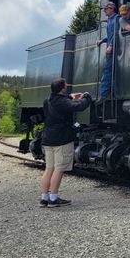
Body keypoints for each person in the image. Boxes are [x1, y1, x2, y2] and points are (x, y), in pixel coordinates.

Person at [39, 78, 92, 207]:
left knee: (49, 168)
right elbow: (79, 106)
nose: (67, 86)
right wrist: (87, 97)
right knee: (59, 169)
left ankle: (44, 197)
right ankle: (53, 198)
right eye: (66, 85)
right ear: (62, 88)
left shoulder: (48, 101)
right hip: (61, 139)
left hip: (48, 138)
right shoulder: (62, 102)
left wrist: (70, 96)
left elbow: (62, 103)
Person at [97, 1, 119, 101]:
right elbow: (110, 35)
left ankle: (104, 94)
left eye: (106, 9)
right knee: (108, 70)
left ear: (111, 8)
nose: (104, 11)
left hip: (115, 49)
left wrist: (110, 45)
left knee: (108, 70)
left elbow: (116, 34)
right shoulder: (109, 20)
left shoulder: (116, 19)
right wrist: (103, 40)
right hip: (110, 48)